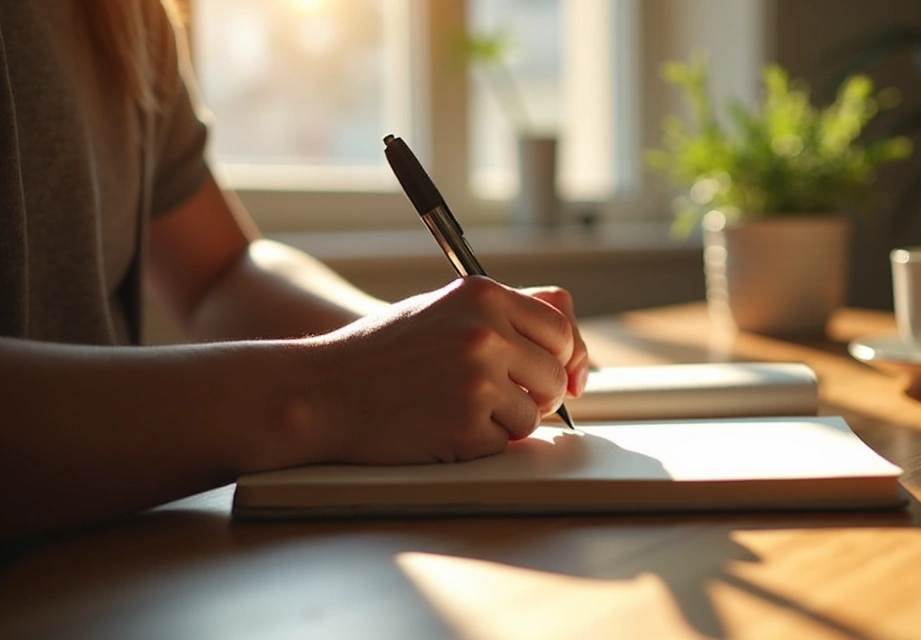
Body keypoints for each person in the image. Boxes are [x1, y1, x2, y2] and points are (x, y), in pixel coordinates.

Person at [0, 0, 589, 543]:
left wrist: (428, 346)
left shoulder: (125, 14)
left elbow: (219, 272)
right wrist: (333, 391)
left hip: (103, 569)